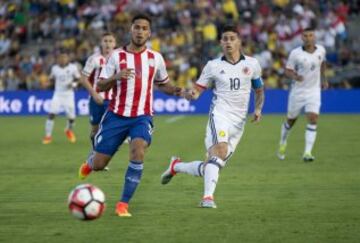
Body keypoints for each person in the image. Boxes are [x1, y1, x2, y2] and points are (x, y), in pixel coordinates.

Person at [78, 14, 185, 217]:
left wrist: (179, 91)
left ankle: (123, 204)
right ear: (131, 30)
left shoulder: (156, 58)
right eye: (137, 27)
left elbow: (163, 84)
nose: (140, 31)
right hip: (116, 116)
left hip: (142, 116)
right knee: (100, 164)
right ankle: (90, 163)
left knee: (138, 150)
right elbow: (100, 85)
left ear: (149, 32)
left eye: (145, 28)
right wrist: (116, 76)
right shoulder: (116, 56)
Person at [160, 25, 265, 208]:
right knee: (220, 151)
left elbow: (259, 89)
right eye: (225, 39)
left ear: (239, 41)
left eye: (232, 38)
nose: (229, 42)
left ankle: (176, 166)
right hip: (220, 116)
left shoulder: (252, 64)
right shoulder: (213, 66)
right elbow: (198, 90)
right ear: (220, 43)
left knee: (212, 163)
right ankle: (207, 198)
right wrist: (190, 94)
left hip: (239, 123)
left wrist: (258, 110)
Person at [277, 27, 328, 162]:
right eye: (305, 36)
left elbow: (322, 63)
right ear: (302, 38)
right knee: (291, 121)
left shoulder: (321, 50)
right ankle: (283, 142)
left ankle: (307, 152)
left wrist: (324, 79)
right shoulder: (295, 53)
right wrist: (295, 76)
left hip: (314, 91)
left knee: (313, 119)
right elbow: (287, 71)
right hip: (298, 92)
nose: (308, 38)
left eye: (310, 35)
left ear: (314, 37)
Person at [79, 32, 116, 148]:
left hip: (113, 100)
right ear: (101, 43)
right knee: (95, 130)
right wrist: (94, 95)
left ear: (114, 44)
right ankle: (95, 154)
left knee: (108, 130)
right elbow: (83, 79)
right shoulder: (94, 59)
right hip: (96, 99)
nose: (108, 44)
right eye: (105, 41)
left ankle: (102, 156)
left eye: (110, 41)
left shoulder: (119, 59)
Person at [42, 51, 81, 144]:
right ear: (58, 59)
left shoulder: (73, 68)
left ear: (68, 58)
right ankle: (48, 136)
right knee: (51, 114)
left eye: (64, 57)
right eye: (60, 57)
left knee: (71, 118)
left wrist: (73, 84)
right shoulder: (54, 68)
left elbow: (79, 79)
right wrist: (47, 83)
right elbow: (51, 79)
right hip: (58, 94)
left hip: (69, 95)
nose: (62, 59)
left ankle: (68, 130)